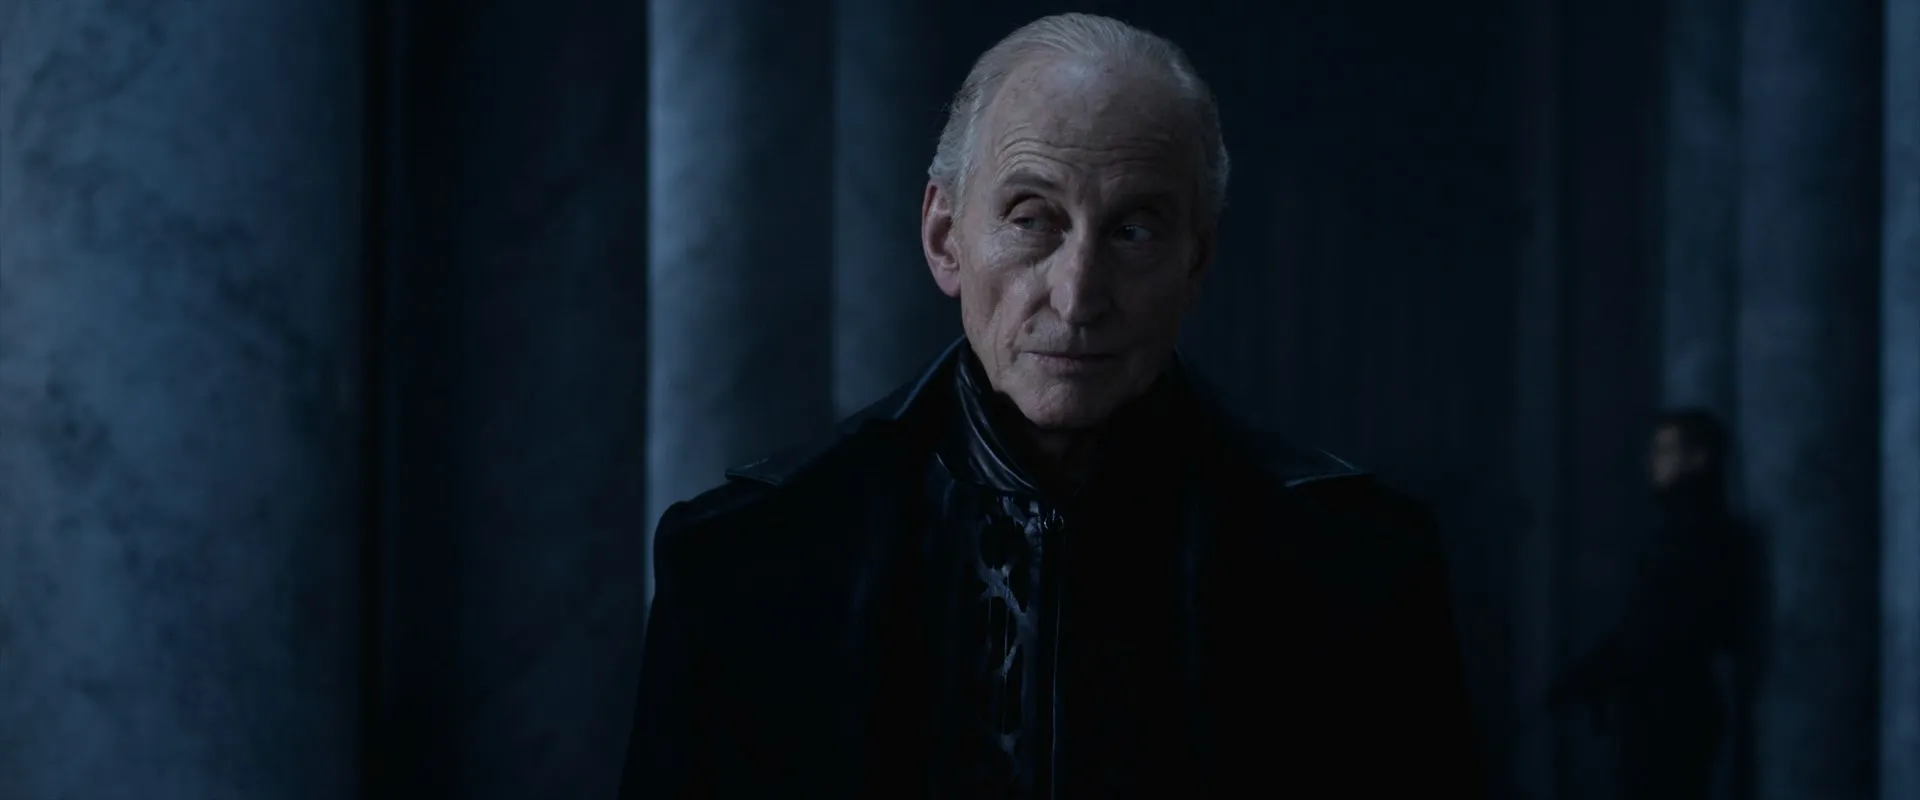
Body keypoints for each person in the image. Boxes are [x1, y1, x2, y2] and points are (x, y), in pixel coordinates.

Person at [621, 13, 1482, 798]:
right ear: (945, 238)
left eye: (1134, 230)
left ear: (1197, 260)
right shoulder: (744, 561)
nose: (1076, 297)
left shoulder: (1358, 567)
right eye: (1033, 219)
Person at [1549, 408, 1755, 800]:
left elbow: (1659, 626)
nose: (1652, 462)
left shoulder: (1697, 533)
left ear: (1699, 458)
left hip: (1671, 709)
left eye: (1664, 450)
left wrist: (1602, 669)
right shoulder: (1682, 529)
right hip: (1664, 705)